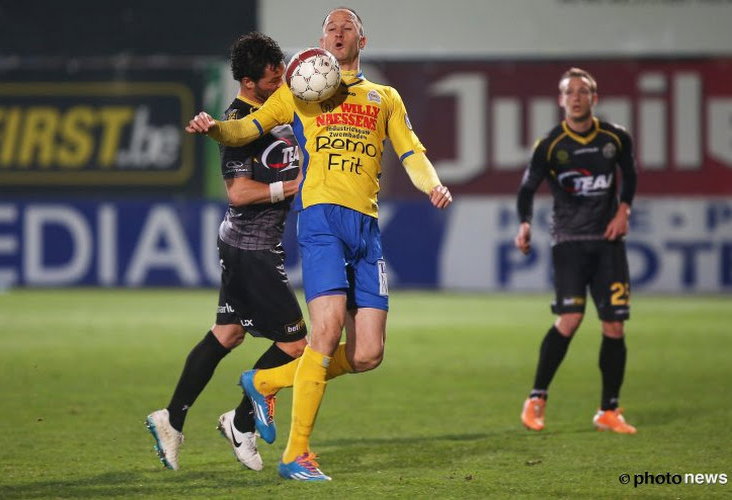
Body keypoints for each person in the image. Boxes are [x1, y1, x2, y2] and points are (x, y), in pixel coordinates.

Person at [186, 7, 453, 481]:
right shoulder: (297, 91)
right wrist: (215, 129)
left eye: (347, 26)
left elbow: (412, 151)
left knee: (368, 353)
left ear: (361, 43)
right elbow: (247, 129)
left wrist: (431, 183)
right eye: (330, 26)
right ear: (321, 41)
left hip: (366, 229)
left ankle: (264, 381)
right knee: (325, 334)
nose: (338, 31)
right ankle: (296, 455)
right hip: (321, 220)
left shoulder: (383, 97)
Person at [145, 32, 308, 472]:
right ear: (249, 82)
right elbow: (238, 192)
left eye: (281, 76)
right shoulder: (238, 121)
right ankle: (240, 421)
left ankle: (171, 417)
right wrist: (295, 186)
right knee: (296, 347)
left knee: (229, 334)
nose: (280, 85)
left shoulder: (279, 107)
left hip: (251, 245)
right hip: (249, 248)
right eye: (272, 80)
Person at [515, 67, 638, 434]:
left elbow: (629, 174)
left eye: (583, 91)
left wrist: (624, 209)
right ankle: (536, 399)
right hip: (568, 242)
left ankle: (608, 410)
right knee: (570, 319)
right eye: (570, 92)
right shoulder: (551, 144)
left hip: (608, 244)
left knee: (614, 325)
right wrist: (524, 223)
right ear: (561, 100)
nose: (576, 97)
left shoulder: (615, 138)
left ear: (594, 98)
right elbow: (527, 189)